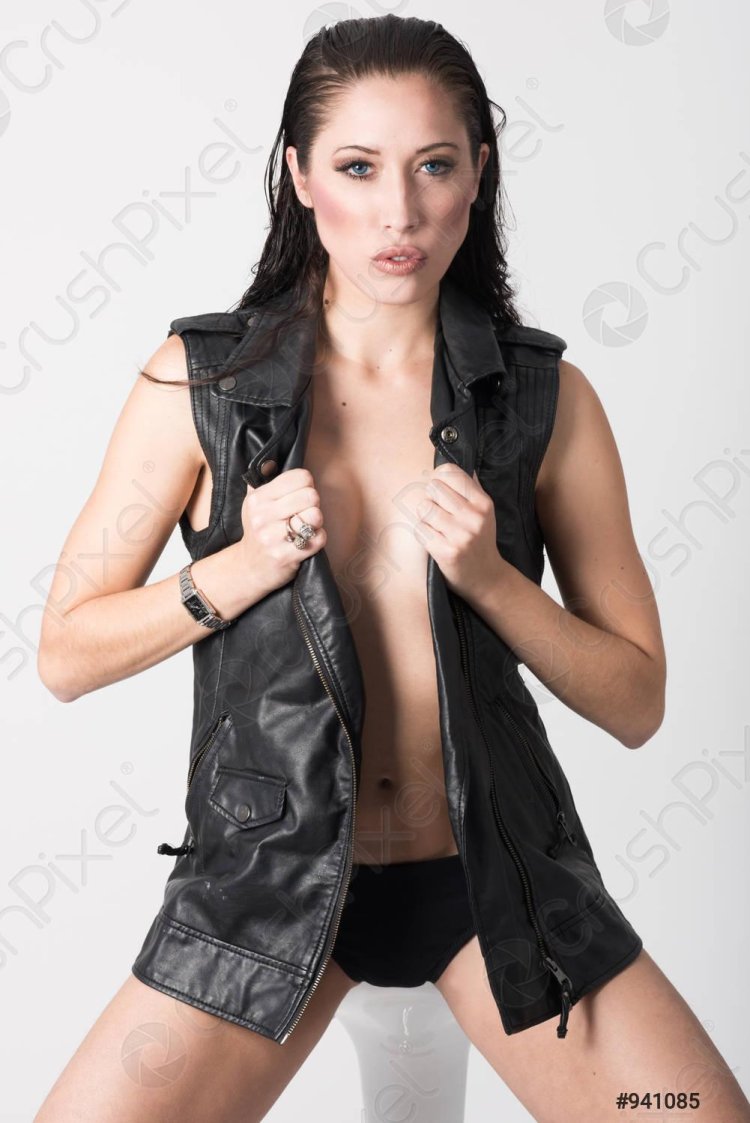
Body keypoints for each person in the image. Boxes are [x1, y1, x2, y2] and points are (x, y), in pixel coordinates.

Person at [34, 14, 750, 1123]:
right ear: (300, 176)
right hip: (266, 892)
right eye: (359, 167)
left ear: (478, 174)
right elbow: (65, 654)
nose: (399, 212)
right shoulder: (200, 384)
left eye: (435, 166)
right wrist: (235, 570)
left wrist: (495, 581)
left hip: (501, 884)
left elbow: (637, 700)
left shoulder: (546, 401)